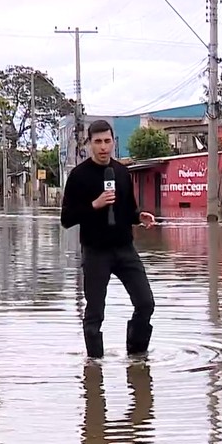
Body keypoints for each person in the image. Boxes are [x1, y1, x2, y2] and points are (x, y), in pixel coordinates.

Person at [61, 119, 157, 359]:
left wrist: (139, 216)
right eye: (98, 142)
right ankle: (94, 366)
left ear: (114, 142)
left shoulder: (122, 172)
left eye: (107, 141)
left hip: (125, 249)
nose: (103, 147)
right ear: (89, 144)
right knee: (95, 313)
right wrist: (94, 204)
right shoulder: (78, 176)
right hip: (95, 252)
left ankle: (137, 357)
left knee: (146, 303)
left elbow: (128, 210)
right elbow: (67, 219)